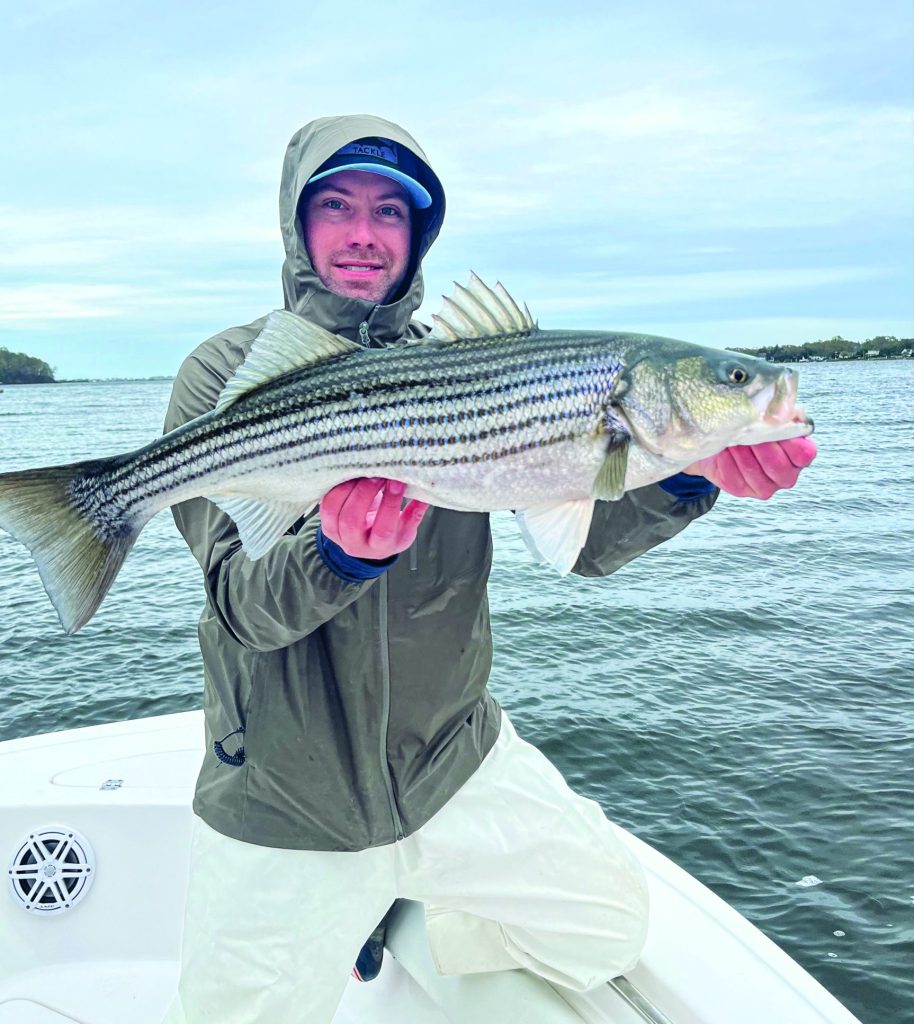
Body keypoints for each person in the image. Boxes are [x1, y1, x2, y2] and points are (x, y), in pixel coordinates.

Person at [162, 114, 816, 1023]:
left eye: (390, 212)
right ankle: (353, 901)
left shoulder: (472, 361)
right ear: (297, 224)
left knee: (612, 928)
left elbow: (582, 544)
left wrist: (689, 475)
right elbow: (243, 610)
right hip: (286, 793)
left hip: (450, 762)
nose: (362, 232)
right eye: (337, 206)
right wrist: (334, 556)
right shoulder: (225, 372)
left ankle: (407, 914)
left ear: (418, 234)